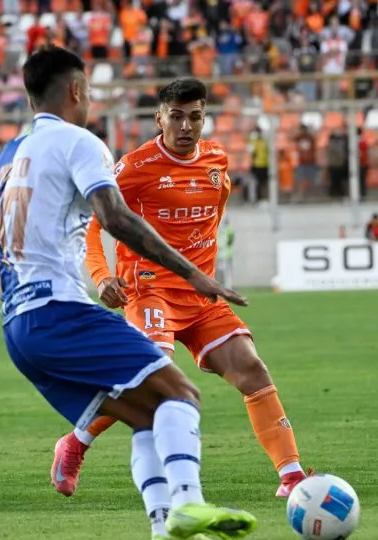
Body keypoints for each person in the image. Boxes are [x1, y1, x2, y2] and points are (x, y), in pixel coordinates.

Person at [0, 48, 257, 540]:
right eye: (90, 90)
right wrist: (195, 275)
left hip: (17, 329)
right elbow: (117, 218)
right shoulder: (81, 143)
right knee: (182, 395)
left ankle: (164, 529)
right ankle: (190, 501)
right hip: (60, 311)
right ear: (77, 90)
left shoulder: (4, 158)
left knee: (148, 415)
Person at [51, 78, 310, 500]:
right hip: (150, 291)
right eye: (176, 117)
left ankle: (293, 476)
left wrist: (201, 264)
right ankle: (76, 442)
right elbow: (93, 225)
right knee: (152, 379)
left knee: (252, 370)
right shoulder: (134, 168)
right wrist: (102, 277)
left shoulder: (217, 159)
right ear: (159, 118)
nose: (187, 126)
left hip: (199, 296)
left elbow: (214, 208)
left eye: (195, 117)